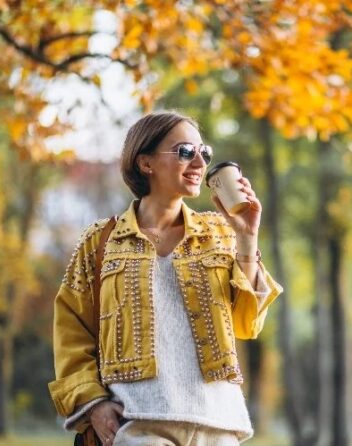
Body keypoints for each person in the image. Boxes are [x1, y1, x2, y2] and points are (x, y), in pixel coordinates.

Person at [48, 111, 282, 446]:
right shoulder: (100, 241)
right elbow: (71, 334)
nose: (199, 162)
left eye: (205, 153)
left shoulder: (221, 232)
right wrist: (93, 404)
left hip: (218, 425)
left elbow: (248, 323)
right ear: (146, 163)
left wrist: (247, 238)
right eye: (186, 151)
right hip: (140, 424)